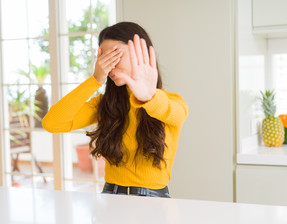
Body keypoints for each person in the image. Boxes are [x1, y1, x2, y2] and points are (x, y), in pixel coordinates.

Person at [42, 22, 188, 198]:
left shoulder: (170, 101)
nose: (109, 65)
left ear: (142, 55)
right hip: (110, 196)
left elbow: (176, 114)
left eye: (116, 55)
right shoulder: (105, 104)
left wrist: (148, 96)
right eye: (104, 57)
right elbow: (52, 123)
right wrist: (95, 79)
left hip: (153, 199)